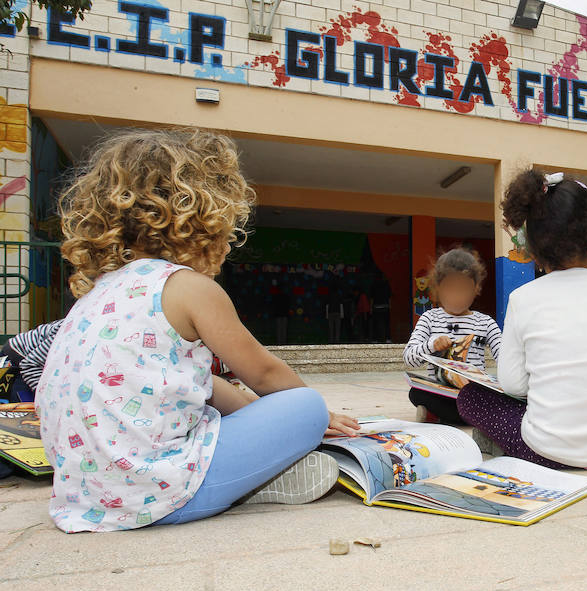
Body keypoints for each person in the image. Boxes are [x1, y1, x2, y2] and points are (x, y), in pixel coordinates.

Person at [35, 129, 359, 533]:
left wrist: (259, 417)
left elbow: (200, 383)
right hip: (158, 495)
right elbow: (265, 374)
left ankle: (257, 473)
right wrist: (314, 417)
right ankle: (254, 481)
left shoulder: (100, 293)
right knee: (304, 405)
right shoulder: (187, 286)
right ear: (209, 215)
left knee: (214, 398)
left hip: (88, 494)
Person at [456, 171, 587, 469]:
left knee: (471, 397)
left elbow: (513, 384)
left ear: (534, 253)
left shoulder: (522, 298)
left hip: (548, 452)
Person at [403, 248, 502, 424]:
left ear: (476, 288)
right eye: (450, 289)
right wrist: (432, 345)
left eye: (464, 289)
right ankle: (468, 417)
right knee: (416, 392)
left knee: (497, 399)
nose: (457, 296)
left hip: (473, 394)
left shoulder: (485, 322)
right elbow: (409, 358)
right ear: (437, 289)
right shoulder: (429, 318)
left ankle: (441, 416)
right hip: (441, 393)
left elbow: (504, 356)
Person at [1, 319, 63, 391]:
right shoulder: (66, 335)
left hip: (32, 358)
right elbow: (29, 365)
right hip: (18, 355)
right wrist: (44, 395)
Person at [371, 272, 392, 342]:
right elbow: (389, 297)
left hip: (376, 307)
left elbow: (372, 298)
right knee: (386, 324)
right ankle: (387, 339)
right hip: (385, 306)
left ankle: (375, 339)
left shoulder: (374, 284)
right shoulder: (386, 284)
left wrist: (371, 307)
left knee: (376, 324)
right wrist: (390, 305)